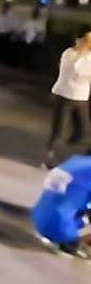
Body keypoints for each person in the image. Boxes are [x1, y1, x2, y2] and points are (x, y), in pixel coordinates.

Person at [44, 33, 91, 168]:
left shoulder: (87, 57)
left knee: (83, 131)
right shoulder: (70, 54)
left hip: (81, 98)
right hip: (65, 95)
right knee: (59, 129)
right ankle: (50, 159)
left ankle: (65, 151)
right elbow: (77, 72)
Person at [31, 155, 91, 259]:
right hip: (60, 231)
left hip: (38, 218)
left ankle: (63, 235)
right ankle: (66, 242)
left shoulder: (80, 161)